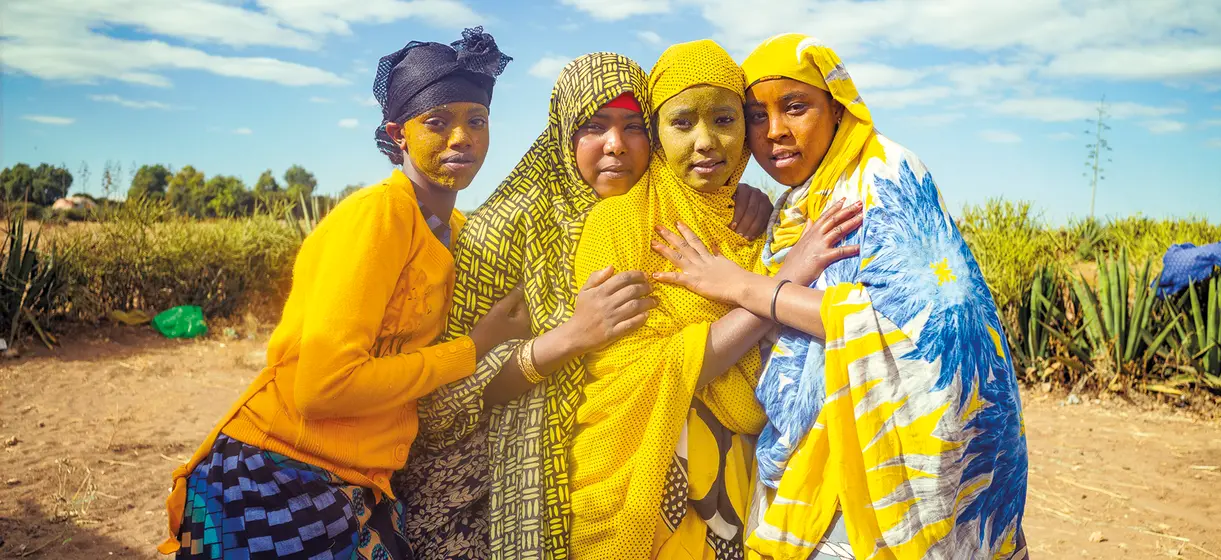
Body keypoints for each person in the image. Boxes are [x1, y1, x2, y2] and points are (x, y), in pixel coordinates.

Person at [650, 33, 1030, 559]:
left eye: (796, 107)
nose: (775, 132)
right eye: (757, 115)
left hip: (887, 471)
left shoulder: (885, 178)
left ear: (837, 107)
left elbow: (913, 329)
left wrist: (746, 286)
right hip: (811, 464)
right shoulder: (791, 207)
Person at [157, 28, 529, 559]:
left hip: (356, 479)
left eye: (477, 120)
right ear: (399, 134)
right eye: (437, 122)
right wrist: (473, 349)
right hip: (278, 471)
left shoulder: (457, 231)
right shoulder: (379, 215)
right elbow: (323, 387)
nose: (461, 138)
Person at [397, 52, 775, 559]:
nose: (615, 146)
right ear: (563, 134)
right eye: (593, 127)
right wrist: (569, 338)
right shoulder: (502, 231)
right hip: (487, 492)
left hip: (609, 466)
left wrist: (749, 199)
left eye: (634, 127)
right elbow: (440, 402)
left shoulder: (661, 213)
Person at [567, 39, 860, 560]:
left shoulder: (761, 221)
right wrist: (779, 286)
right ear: (657, 132)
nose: (706, 142)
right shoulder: (618, 223)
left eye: (724, 119)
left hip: (748, 472)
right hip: (651, 471)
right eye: (682, 123)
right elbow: (635, 367)